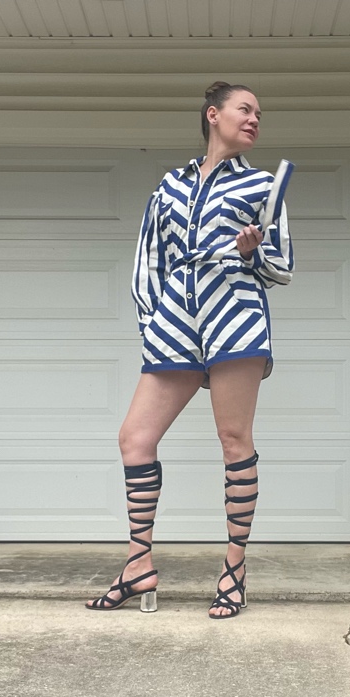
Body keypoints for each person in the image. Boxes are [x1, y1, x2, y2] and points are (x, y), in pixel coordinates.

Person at [86, 81, 294, 619]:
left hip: (234, 316)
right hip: (177, 318)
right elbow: (147, 259)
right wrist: (152, 320)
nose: (254, 120)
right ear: (213, 114)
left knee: (233, 439)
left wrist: (252, 253)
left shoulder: (264, 187)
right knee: (135, 437)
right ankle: (138, 565)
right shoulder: (170, 185)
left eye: (258, 114)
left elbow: (283, 267)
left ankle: (234, 569)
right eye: (244, 109)